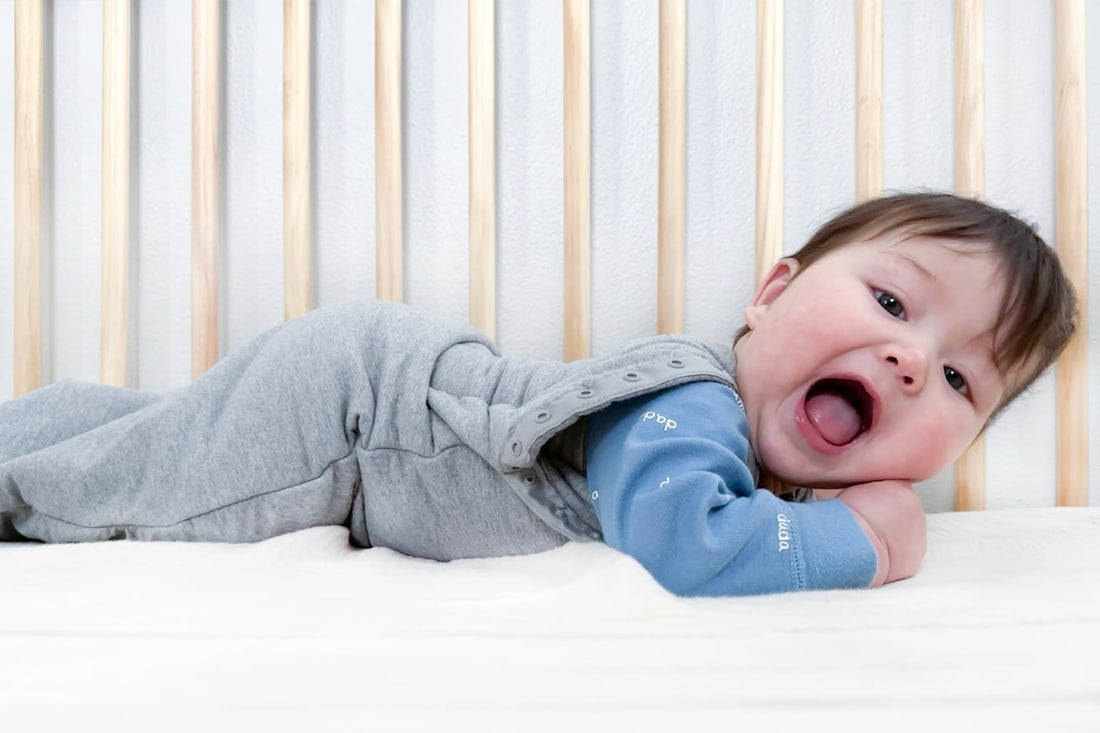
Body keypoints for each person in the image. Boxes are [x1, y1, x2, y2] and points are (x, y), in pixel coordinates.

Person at [0, 193, 1076, 596]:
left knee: (144, 437)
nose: (904, 361)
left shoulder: (732, 446)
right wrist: (870, 543)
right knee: (137, 496)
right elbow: (687, 546)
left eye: (952, 378)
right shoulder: (690, 405)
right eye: (891, 301)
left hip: (375, 388)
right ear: (770, 293)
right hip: (353, 418)